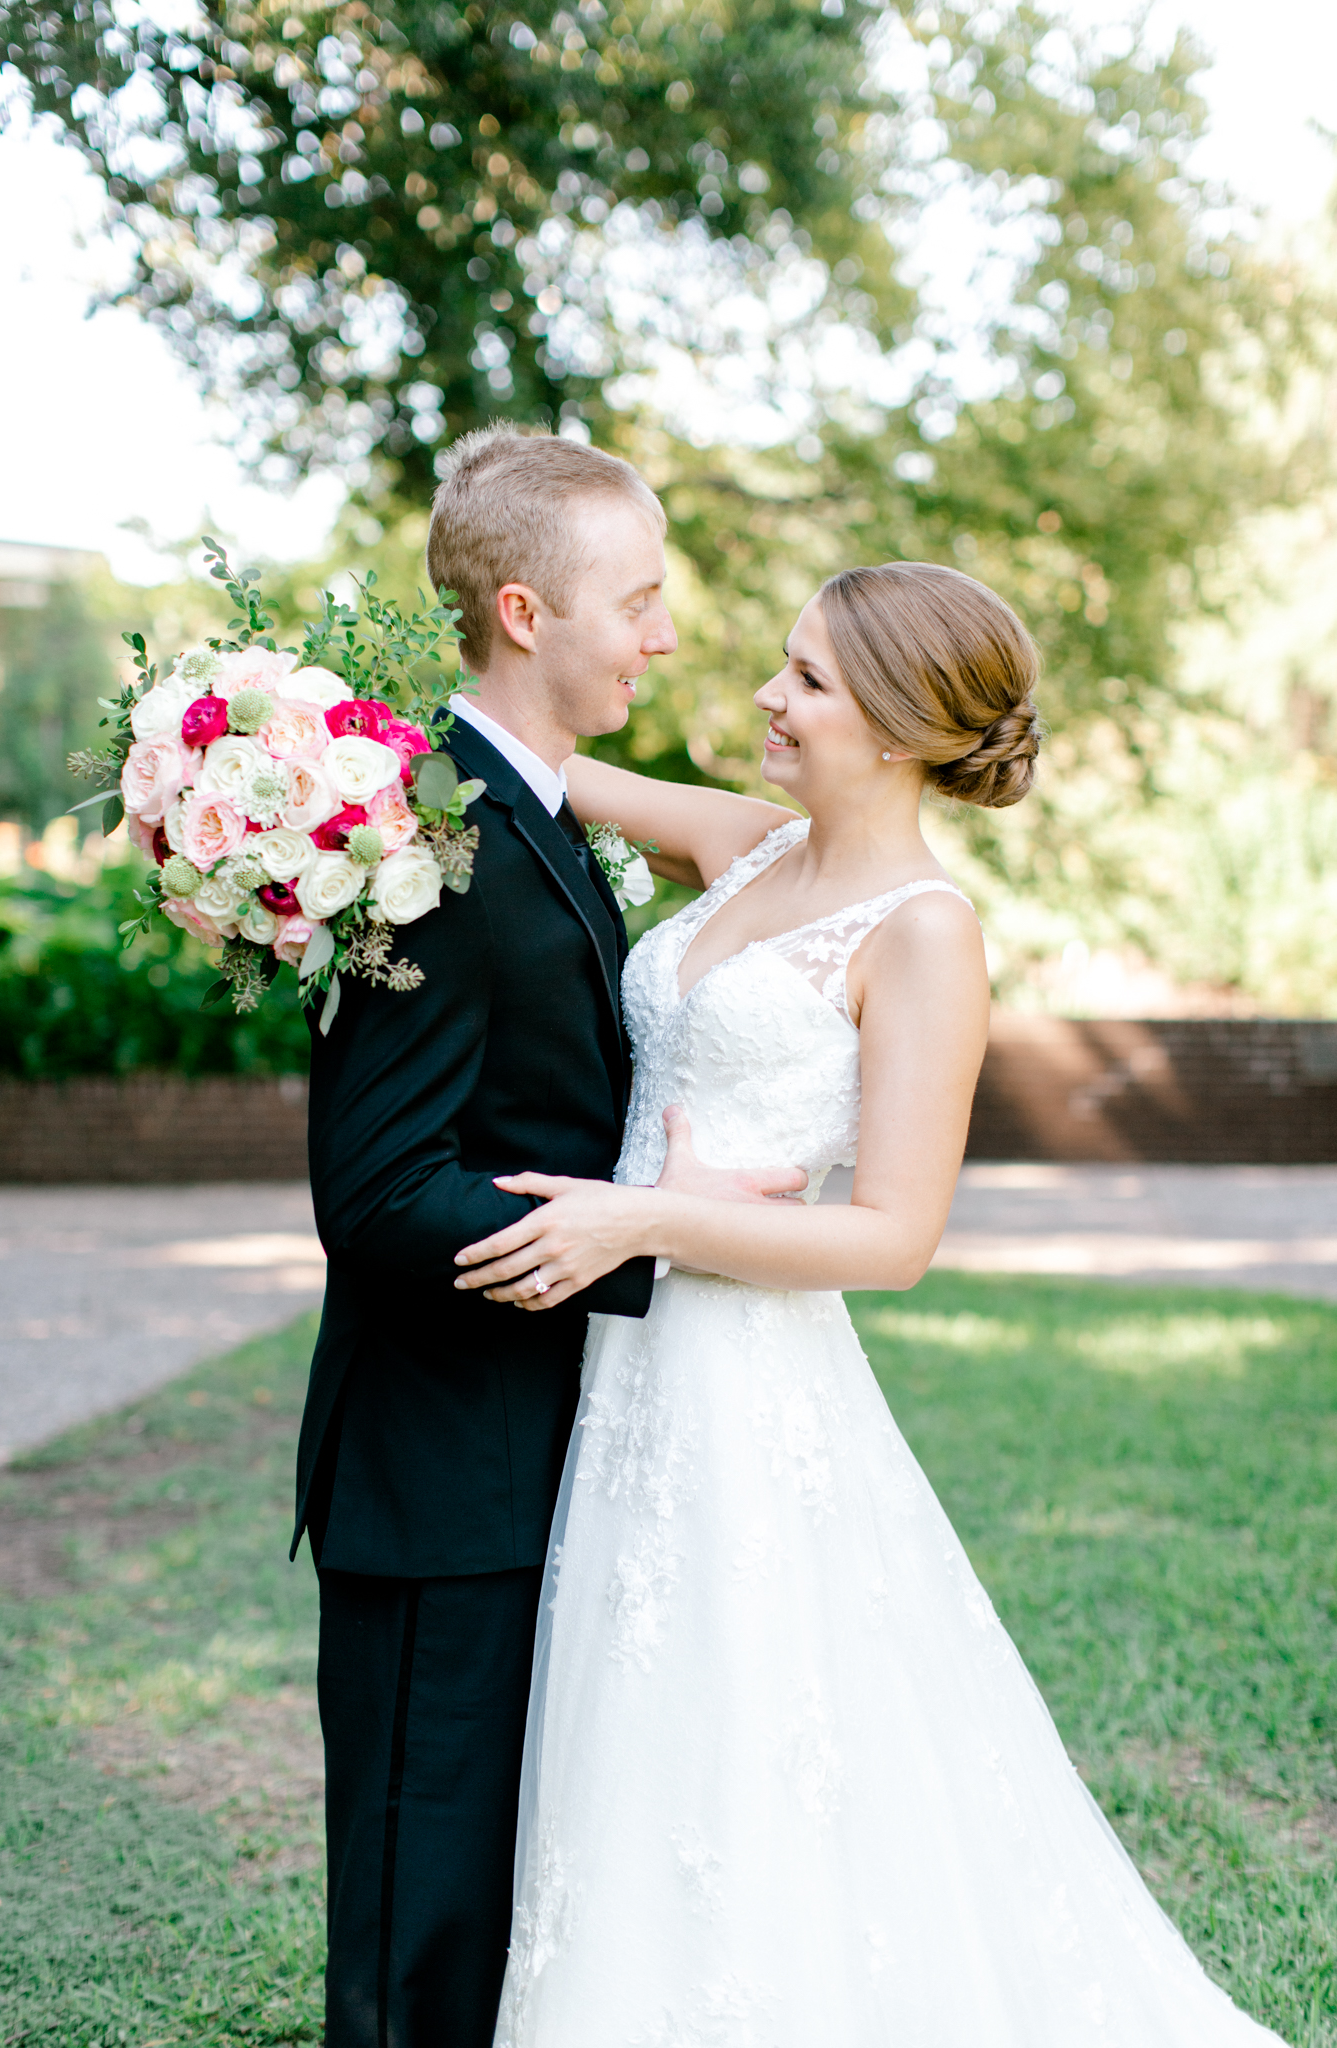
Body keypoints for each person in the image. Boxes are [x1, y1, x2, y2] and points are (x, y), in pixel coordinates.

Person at [455, 562, 1288, 2046]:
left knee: (749, 1699)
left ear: (901, 727)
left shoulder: (923, 933)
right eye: (783, 665)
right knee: (638, 1703)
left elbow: (897, 1235)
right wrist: (293, 765)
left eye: (811, 683)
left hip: (740, 1366)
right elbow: (543, 770)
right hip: (622, 1352)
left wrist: (654, 1216)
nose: (768, 698)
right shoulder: (749, 847)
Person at [291, 425, 802, 2046]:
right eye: (636, 602)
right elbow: (377, 1191)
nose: (663, 636)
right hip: (440, 1475)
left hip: (538, 1452)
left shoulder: (515, 804)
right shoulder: (428, 848)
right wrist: (647, 1236)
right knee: (418, 1922)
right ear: (526, 614)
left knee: (500, 1901)